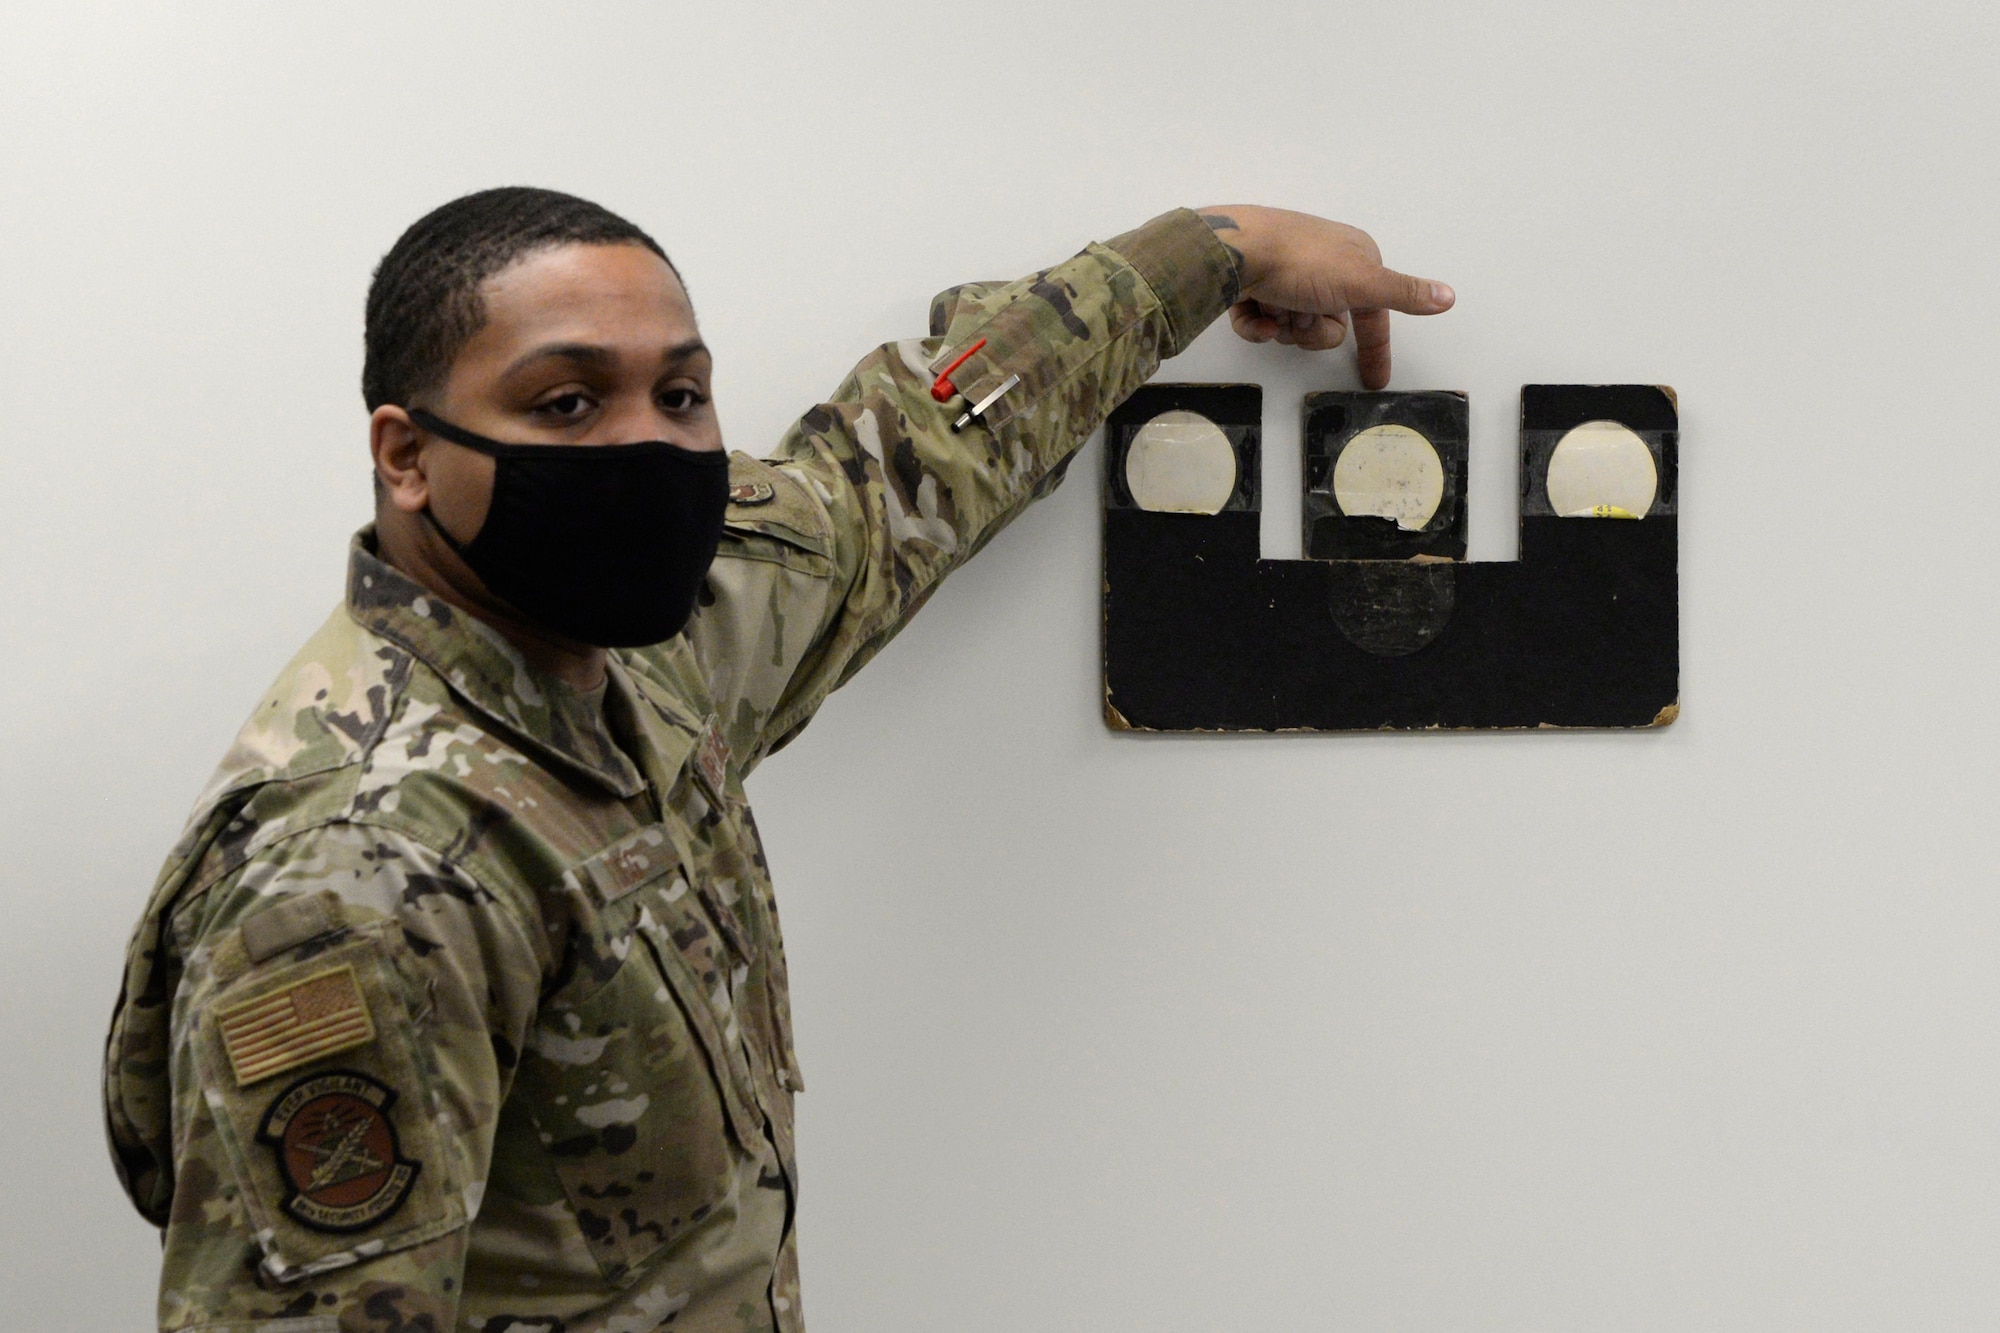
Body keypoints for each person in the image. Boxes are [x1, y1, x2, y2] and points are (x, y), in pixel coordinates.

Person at [103, 188, 1453, 1333]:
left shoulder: (634, 660)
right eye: (567, 402)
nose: (646, 444)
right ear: (407, 456)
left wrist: (1215, 246)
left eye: (679, 394)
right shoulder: (365, 874)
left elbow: (905, 462)